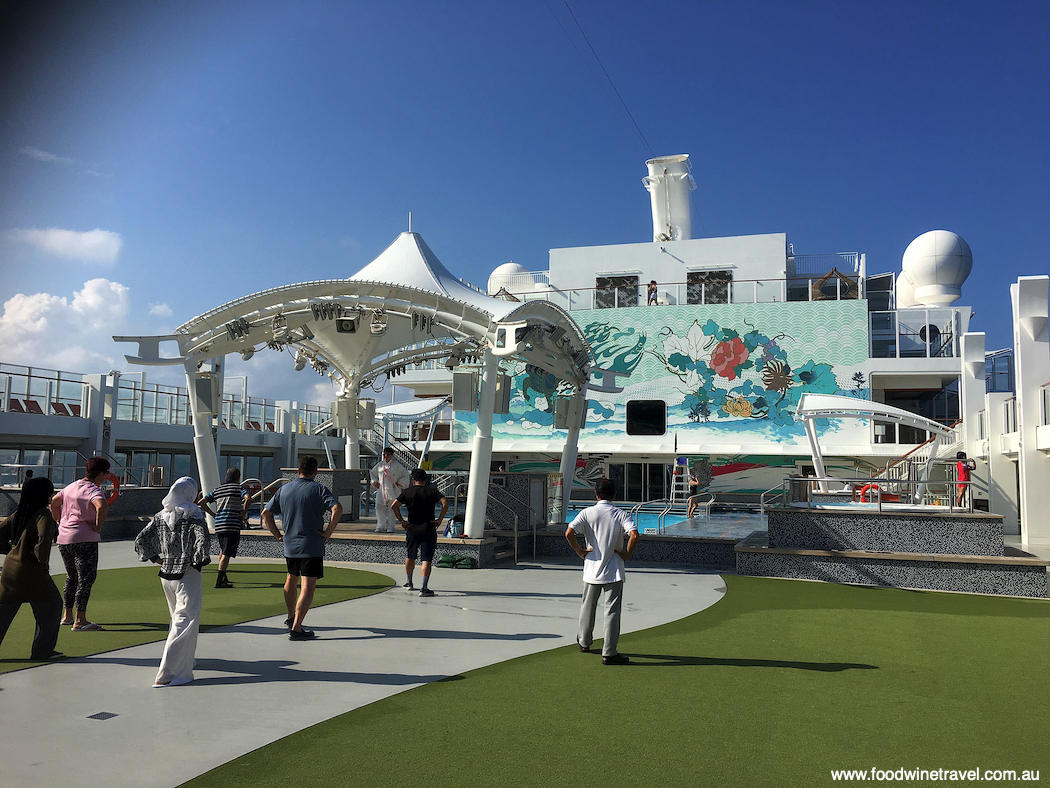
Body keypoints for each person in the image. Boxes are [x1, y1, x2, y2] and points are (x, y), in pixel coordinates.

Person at [134, 477, 211, 687]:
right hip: (187, 574)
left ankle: (187, 661)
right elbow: (202, 539)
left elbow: (140, 539)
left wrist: (156, 558)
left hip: (166, 575)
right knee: (185, 621)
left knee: (177, 619)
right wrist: (197, 559)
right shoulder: (193, 513)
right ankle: (168, 673)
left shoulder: (162, 514)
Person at [262, 456, 342, 640]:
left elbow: (266, 513)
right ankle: (297, 627)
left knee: (291, 578)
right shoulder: (319, 489)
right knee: (308, 586)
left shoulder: (284, 489)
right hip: (311, 544)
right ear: (316, 472)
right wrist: (328, 532)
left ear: (298, 471)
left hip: (290, 544)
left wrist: (278, 535)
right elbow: (337, 509)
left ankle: (291, 617)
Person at [565, 477, 640, 666]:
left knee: (587, 608)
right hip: (613, 569)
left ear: (596, 494)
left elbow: (569, 532)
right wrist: (626, 554)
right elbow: (634, 535)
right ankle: (609, 652)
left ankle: (584, 642)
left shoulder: (587, 513)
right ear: (614, 494)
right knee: (612, 611)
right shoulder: (620, 514)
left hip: (591, 568)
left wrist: (580, 551)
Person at [0, 477, 64, 660]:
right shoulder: (43, 514)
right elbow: (44, 538)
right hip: (32, 571)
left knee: (4, 609)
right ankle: (42, 651)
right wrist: (41, 560)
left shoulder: (20, 512)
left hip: (9, 569)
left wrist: (10, 550)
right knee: (52, 606)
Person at [49, 456, 110, 631]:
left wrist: (59, 521)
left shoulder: (70, 487)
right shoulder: (93, 490)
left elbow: (54, 502)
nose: (106, 476)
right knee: (86, 579)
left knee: (71, 577)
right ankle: (80, 620)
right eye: (106, 473)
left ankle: (67, 616)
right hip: (84, 538)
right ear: (100, 473)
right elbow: (102, 506)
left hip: (64, 538)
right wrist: (98, 526)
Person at [391, 469, 448, 597]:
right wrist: (439, 519)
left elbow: (394, 506)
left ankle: (409, 583)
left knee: (410, 555)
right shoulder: (432, 491)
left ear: (413, 480)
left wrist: (401, 521)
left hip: (412, 528)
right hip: (428, 527)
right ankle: (424, 587)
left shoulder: (407, 492)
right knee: (426, 558)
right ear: (425, 479)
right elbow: (445, 503)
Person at [199, 468, 250, 588]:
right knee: (227, 552)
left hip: (219, 524)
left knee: (223, 550)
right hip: (232, 524)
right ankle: (220, 579)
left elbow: (202, 502)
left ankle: (223, 576)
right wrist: (243, 513)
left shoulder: (218, 489)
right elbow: (248, 498)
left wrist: (213, 515)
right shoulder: (239, 488)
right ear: (238, 477)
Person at [370, 447, 409, 533]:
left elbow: (405, 473)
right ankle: (380, 524)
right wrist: (374, 481)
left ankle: (391, 526)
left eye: (388, 454)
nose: (386, 456)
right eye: (384, 454)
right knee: (379, 506)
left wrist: (400, 482)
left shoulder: (397, 465)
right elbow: (372, 473)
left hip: (393, 489)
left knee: (392, 508)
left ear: (392, 455)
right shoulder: (380, 465)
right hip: (382, 489)